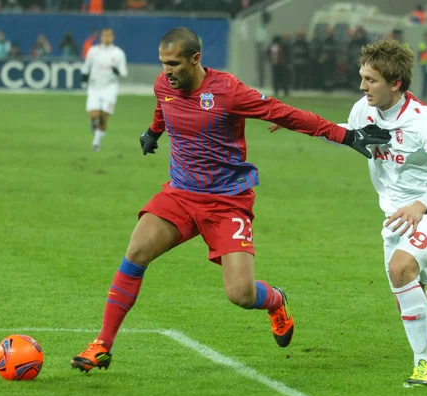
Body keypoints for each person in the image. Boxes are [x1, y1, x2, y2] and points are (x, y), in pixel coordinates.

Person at [70, 27, 391, 373]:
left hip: (227, 201)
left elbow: (283, 113)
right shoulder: (164, 85)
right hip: (180, 194)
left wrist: (345, 135)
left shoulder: (228, 91)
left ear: (195, 59)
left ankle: (276, 300)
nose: (167, 71)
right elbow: (163, 108)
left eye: (174, 64)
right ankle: (102, 344)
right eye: (163, 64)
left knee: (240, 294)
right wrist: (153, 132)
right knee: (136, 252)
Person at [269, 38, 427, 387]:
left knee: (400, 270)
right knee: (413, 295)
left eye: (370, 80)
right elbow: (346, 134)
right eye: (362, 77)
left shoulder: (425, 121)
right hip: (394, 217)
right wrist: (300, 124)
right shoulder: (364, 110)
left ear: (395, 83)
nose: (362, 86)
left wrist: (421, 206)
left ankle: (425, 367)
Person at [80, 28, 128, 152]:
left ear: (113, 38)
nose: (107, 38)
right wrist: (84, 77)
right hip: (94, 87)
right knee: (94, 115)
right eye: (104, 36)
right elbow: (86, 67)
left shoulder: (118, 53)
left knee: (104, 117)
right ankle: (95, 126)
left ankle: (96, 142)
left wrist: (117, 71)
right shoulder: (93, 51)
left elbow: (124, 72)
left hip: (110, 88)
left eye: (109, 36)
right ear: (101, 37)